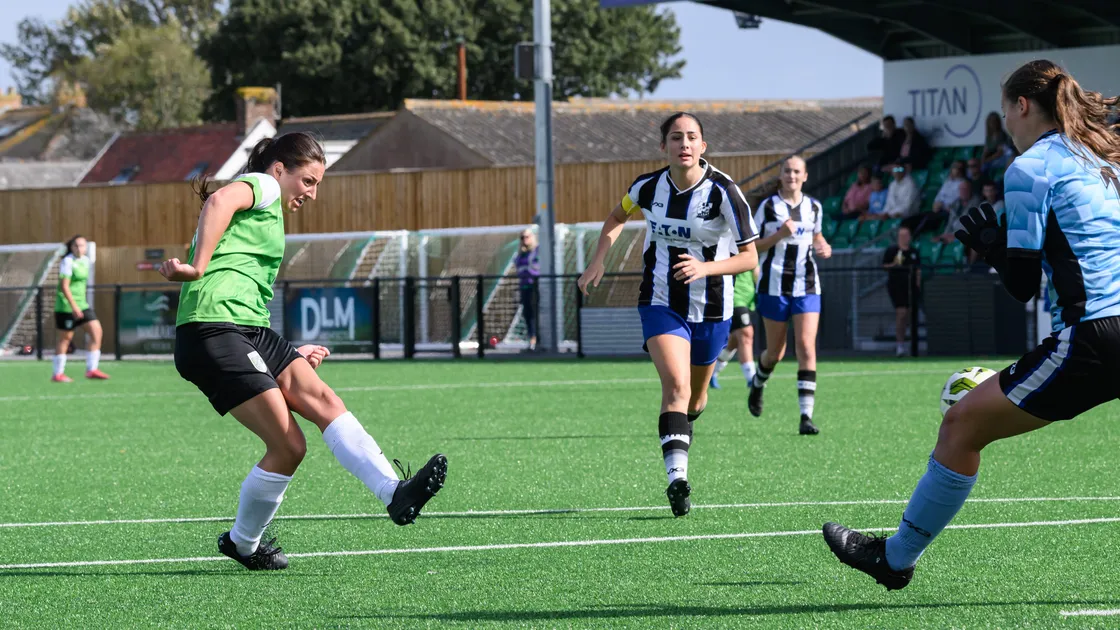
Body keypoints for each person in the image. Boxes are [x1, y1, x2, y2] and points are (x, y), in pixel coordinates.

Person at [823, 59, 1120, 591]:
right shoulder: (1105, 157)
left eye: (1005, 109)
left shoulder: (1031, 168)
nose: (1005, 121)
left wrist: (988, 248)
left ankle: (895, 559)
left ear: (1022, 105)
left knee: (960, 426)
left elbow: (1023, 284)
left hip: (1094, 338)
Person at [161, 133, 447, 571]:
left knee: (326, 402)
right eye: (308, 181)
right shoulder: (265, 184)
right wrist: (196, 267)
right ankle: (244, 543)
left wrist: (287, 351)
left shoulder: (268, 207)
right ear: (280, 169)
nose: (311, 194)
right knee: (289, 445)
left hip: (249, 331)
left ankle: (394, 494)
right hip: (211, 330)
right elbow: (218, 202)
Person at [578, 112, 759, 517]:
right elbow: (616, 217)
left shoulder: (725, 193)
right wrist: (598, 261)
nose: (684, 144)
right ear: (664, 146)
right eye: (676, 137)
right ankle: (677, 479)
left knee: (695, 399)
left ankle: (685, 427)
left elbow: (749, 257)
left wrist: (706, 268)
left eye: (692, 137)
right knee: (675, 387)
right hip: (660, 301)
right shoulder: (646, 187)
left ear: (703, 146)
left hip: (712, 307)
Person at [748, 156, 833, 436]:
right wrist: (779, 235)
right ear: (781, 175)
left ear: (805, 176)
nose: (792, 175)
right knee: (775, 353)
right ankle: (758, 384)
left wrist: (824, 246)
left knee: (807, 347)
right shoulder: (768, 207)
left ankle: (806, 416)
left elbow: (817, 237)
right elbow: (752, 247)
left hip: (807, 285)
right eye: (787, 171)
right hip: (773, 286)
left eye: (797, 171)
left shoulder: (814, 208)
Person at [51, 235, 109, 382]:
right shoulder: (67, 261)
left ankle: (92, 369)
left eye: (82, 245)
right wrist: (74, 306)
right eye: (76, 245)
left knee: (97, 331)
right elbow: (64, 287)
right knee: (66, 339)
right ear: (71, 247)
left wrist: (79, 305)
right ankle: (58, 373)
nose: (79, 248)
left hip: (82, 305)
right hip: (66, 306)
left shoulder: (86, 261)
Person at [709, 268, 757, 391]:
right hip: (735, 298)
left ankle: (712, 372)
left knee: (734, 342)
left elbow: (755, 271)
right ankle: (752, 379)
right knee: (746, 334)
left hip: (748, 300)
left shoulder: (750, 250)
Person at [882, 226, 921, 357]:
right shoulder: (892, 250)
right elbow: (885, 266)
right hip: (896, 286)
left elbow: (918, 270)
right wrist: (893, 264)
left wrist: (918, 284)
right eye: (901, 236)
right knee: (901, 313)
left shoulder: (914, 251)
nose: (904, 238)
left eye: (906, 235)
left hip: (910, 288)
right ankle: (900, 345)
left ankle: (912, 344)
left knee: (910, 315)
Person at [515, 228, 540, 350]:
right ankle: (531, 338)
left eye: (527, 236)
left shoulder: (537, 250)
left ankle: (536, 339)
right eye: (522, 237)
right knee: (527, 313)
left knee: (536, 313)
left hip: (534, 286)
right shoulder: (520, 254)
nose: (525, 239)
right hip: (524, 286)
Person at [935, 179, 982, 243]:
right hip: (952, 234)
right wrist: (945, 234)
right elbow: (950, 222)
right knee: (934, 240)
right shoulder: (956, 203)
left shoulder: (976, 203)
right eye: (961, 189)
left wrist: (953, 235)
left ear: (970, 190)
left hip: (966, 235)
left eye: (965, 189)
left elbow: (970, 225)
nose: (963, 191)